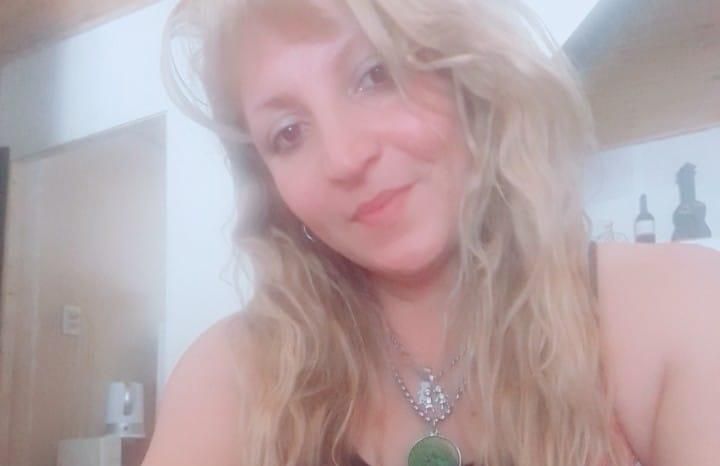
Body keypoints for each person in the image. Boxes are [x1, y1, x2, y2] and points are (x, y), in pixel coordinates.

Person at [144, 1, 720, 465]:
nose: (345, 157)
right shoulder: (231, 381)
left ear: (465, 72)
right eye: (289, 132)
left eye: (374, 75)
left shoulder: (674, 309)